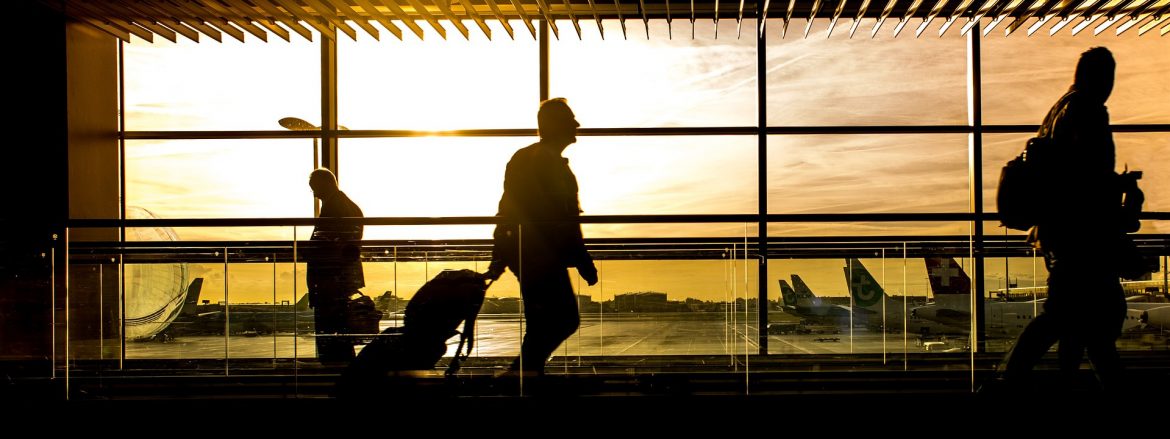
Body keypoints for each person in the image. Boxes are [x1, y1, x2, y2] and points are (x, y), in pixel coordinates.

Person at [996, 47, 1131, 392]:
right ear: (1100, 77)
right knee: (1077, 322)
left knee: (1074, 321)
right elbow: (1087, 177)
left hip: (1058, 233)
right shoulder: (1088, 111)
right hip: (1082, 235)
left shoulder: (1058, 110)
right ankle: (1008, 381)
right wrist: (1118, 187)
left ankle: (1020, 381)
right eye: (1108, 76)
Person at [485, 98, 599, 377]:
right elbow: (562, 219)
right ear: (554, 125)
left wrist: (501, 254)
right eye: (570, 119)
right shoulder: (543, 162)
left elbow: (509, 209)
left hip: (531, 253)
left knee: (545, 321)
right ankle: (522, 375)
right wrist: (582, 259)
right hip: (539, 254)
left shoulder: (531, 159)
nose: (577, 124)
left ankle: (525, 375)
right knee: (563, 319)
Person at [306, 168, 365, 365]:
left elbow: (335, 245)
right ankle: (342, 374)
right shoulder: (346, 206)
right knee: (339, 336)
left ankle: (336, 375)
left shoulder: (336, 208)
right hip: (337, 280)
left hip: (330, 281)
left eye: (315, 188)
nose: (314, 193)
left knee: (331, 335)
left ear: (326, 184)